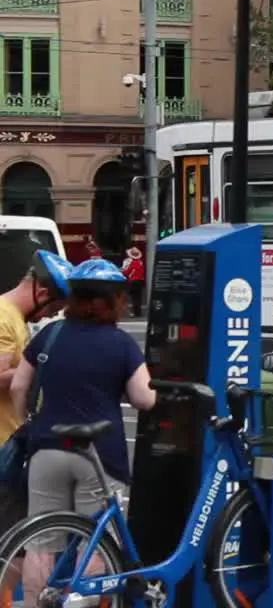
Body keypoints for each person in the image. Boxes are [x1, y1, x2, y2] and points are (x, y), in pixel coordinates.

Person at [11, 258, 156, 598]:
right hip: (98, 454)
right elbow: (144, 399)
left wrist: (27, 423)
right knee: (95, 541)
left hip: (46, 446)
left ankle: (36, 604)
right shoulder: (120, 344)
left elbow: (19, 386)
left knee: (42, 542)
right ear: (110, 301)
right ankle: (82, 602)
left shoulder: (50, 333)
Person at [0, 250, 72, 603]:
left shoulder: (12, 317)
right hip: (3, 444)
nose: (50, 316)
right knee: (13, 543)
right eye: (52, 308)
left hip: (11, 441)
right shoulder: (2, 317)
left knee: (15, 541)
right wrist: (39, 364)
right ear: (42, 293)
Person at [121, 246, 145, 318]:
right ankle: (138, 312)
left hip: (133, 281)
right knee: (138, 297)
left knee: (132, 297)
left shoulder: (133, 262)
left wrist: (122, 272)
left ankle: (132, 312)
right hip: (140, 281)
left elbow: (127, 272)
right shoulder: (141, 262)